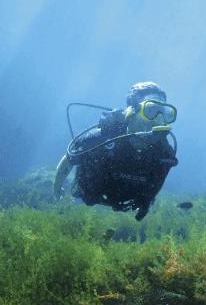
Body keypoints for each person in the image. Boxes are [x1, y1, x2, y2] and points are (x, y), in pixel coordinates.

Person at [53, 82, 179, 221]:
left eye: (165, 113)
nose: (157, 120)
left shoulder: (164, 152)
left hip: (123, 202)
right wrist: (57, 187)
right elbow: (70, 159)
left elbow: (159, 179)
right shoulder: (102, 137)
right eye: (150, 110)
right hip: (87, 196)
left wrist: (146, 203)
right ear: (132, 110)